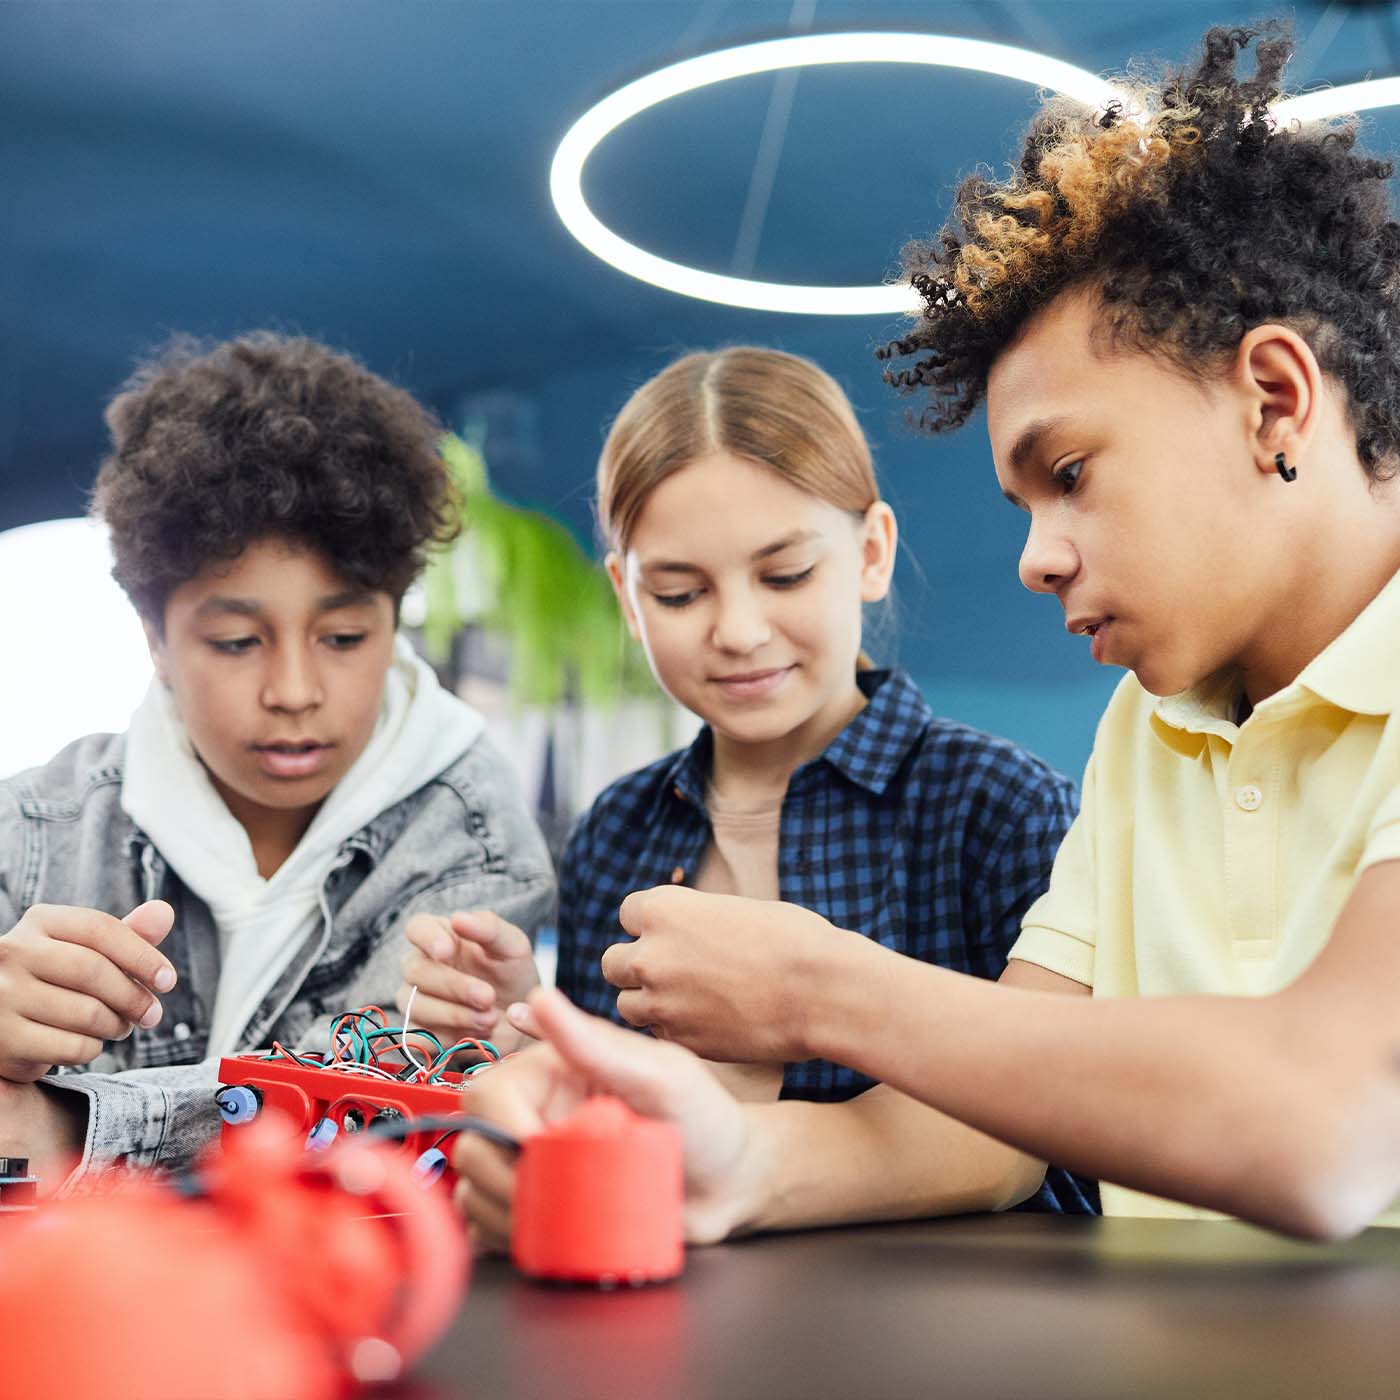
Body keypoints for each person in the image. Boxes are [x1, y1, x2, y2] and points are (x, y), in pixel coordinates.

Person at [454, 25, 1400, 1243]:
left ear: (1273, 397)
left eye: (1067, 471)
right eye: (1024, 505)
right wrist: (726, 1159)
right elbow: (989, 1122)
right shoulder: (1149, 731)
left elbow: (1324, 1121)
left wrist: (818, 989)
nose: (1034, 555)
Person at [422, 344, 1094, 1220]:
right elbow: (605, 1128)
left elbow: (1042, 1132)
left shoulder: (1003, 807)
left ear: (872, 552)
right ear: (627, 597)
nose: (738, 630)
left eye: (785, 574)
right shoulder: (616, 832)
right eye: (678, 593)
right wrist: (524, 1028)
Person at [0, 332, 554, 1190]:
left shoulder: (470, 849)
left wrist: (68, 1127)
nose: (295, 689)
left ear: (395, 619)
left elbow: (357, 1134)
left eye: (343, 637)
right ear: (154, 637)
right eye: (234, 641)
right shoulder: (34, 831)